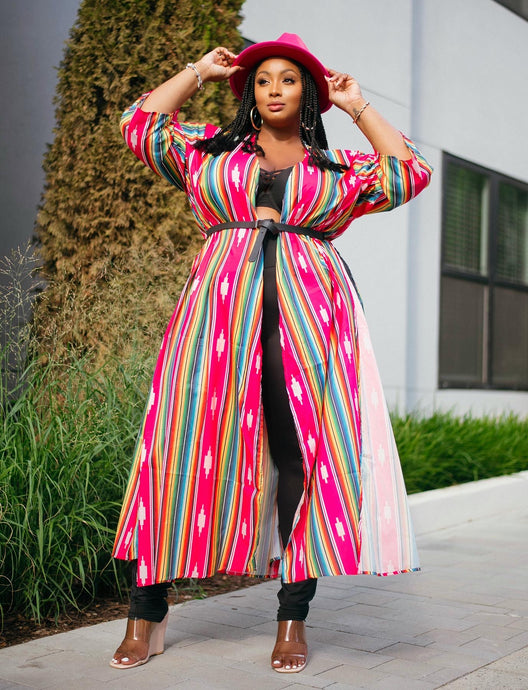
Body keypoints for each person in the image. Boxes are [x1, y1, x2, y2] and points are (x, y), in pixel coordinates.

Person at [109, 33, 432, 674]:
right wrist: (197, 72)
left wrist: (357, 105)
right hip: (215, 318)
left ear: (307, 93)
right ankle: (146, 612)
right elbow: (139, 124)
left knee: (298, 456)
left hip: (309, 322)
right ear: (249, 93)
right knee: (179, 446)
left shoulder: (336, 168)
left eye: (288, 79)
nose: (274, 89)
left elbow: (407, 172)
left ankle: (292, 616)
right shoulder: (210, 150)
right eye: (262, 79)